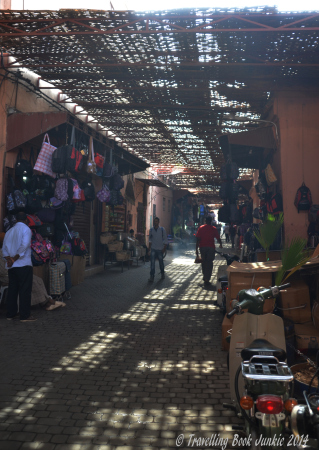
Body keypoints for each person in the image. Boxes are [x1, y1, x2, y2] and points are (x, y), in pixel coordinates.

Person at [2, 211, 36, 322]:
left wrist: (9, 259)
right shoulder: (26, 229)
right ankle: (25, 315)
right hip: (23, 264)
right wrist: (14, 259)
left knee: (13, 289)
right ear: (26, 220)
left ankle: (10, 314)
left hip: (12, 267)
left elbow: (4, 249)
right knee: (24, 290)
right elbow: (24, 246)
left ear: (16, 220)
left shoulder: (9, 231)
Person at [196, 216, 222, 286]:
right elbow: (218, 238)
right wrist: (221, 244)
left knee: (203, 262)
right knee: (209, 263)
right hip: (211, 248)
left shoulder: (201, 228)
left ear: (205, 220)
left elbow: (198, 239)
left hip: (202, 247)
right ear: (211, 221)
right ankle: (207, 278)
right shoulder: (213, 229)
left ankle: (205, 276)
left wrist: (196, 249)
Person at [148, 217, 168, 282]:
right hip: (153, 248)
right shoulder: (151, 230)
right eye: (154, 221)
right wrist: (149, 249)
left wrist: (164, 248)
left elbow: (165, 239)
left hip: (160, 249)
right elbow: (150, 240)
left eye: (156, 221)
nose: (155, 222)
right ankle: (152, 276)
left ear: (158, 222)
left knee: (161, 263)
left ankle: (162, 273)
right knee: (152, 263)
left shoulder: (162, 230)